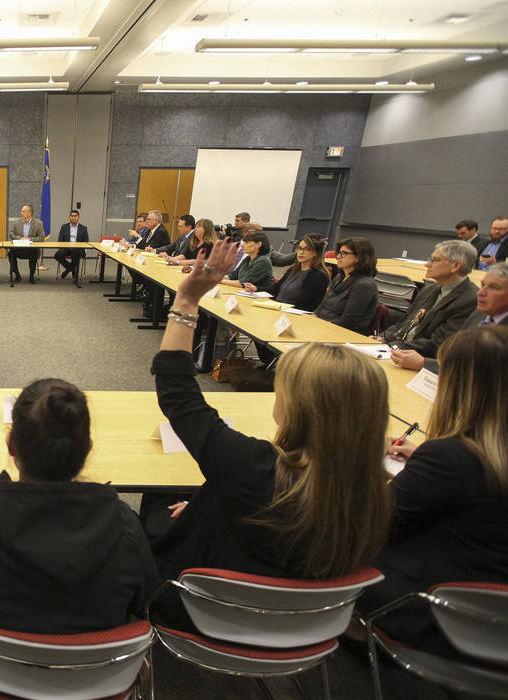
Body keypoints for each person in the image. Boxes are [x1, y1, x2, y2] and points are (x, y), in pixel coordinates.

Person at [149, 237, 389, 629]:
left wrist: (187, 302)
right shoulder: (377, 487)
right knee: (204, 499)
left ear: (298, 407)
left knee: (155, 506)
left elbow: (178, 393)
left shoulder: (251, 465)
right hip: (304, 627)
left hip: (200, 614)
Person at [0, 378, 158, 633]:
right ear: (87, 449)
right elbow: (144, 596)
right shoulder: (124, 524)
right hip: (94, 668)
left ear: (11, 445)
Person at [360, 326, 508, 655]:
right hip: (493, 604)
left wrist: (357, 459)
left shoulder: (451, 458)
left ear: (459, 386)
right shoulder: (480, 453)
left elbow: (374, 521)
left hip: (444, 611)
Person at [391, 262, 508, 372]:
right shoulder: (480, 314)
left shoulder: (471, 303)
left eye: (493, 287)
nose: (481, 292)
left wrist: (424, 363)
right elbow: (456, 354)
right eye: (482, 285)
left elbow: (480, 370)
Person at [381, 240, 478, 356]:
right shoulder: (430, 289)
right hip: (396, 348)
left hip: (418, 357)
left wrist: (392, 346)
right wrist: (383, 337)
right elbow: (405, 322)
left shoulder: (469, 300)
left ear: (456, 266)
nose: (427, 264)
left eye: (435, 260)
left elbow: (439, 343)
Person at [314, 237, 378, 334]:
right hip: (324, 327)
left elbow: (348, 322)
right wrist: (313, 317)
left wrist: (319, 326)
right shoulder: (340, 277)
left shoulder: (364, 285)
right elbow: (322, 306)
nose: (338, 257)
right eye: (339, 253)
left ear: (358, 257)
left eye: (344, 253)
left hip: (342, 335)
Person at [270, 234, 329, 311]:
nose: (301, 252)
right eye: (299, 248)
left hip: (294, 314)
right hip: (278, 308)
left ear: (315, 253)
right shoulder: (293, 269)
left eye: (307, 249)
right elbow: (275, 289)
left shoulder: (318, 276)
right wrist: (256, 288)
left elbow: (305, 304)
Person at [219, 230, 274, 294]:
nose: (242, 245)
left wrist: (220, 281)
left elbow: (242, 283)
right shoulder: (248, 259)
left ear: (259, 244)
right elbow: (232, 276)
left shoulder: (263, 261)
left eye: (247, 242)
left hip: (262, 298)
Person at [8, 204, 46, 284]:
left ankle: (31, 276)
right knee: (10, 253)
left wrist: (29, 239)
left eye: (23, 211)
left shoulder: (38, 223)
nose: (21, 213)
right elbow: (11, 234)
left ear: (30, 213)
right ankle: (17, 275)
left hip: (31, 249)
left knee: (34, 253)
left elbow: (42, 237)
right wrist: (19, 238)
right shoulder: (17, 222)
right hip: (19, 249)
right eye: (21, 211)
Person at [53, 210, 90, 282]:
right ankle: (72, 269)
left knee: (76, 253)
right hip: (66, 248)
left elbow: (86, 241)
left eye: (75, 216)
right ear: (69, 217)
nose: (73, 217)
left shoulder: (83, 228)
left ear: (78, 217)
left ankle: (67, 271)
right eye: (72, 216)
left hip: (78, 249)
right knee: (57, 255)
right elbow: (60, 240)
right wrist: (63, 248)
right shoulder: (64, 227)